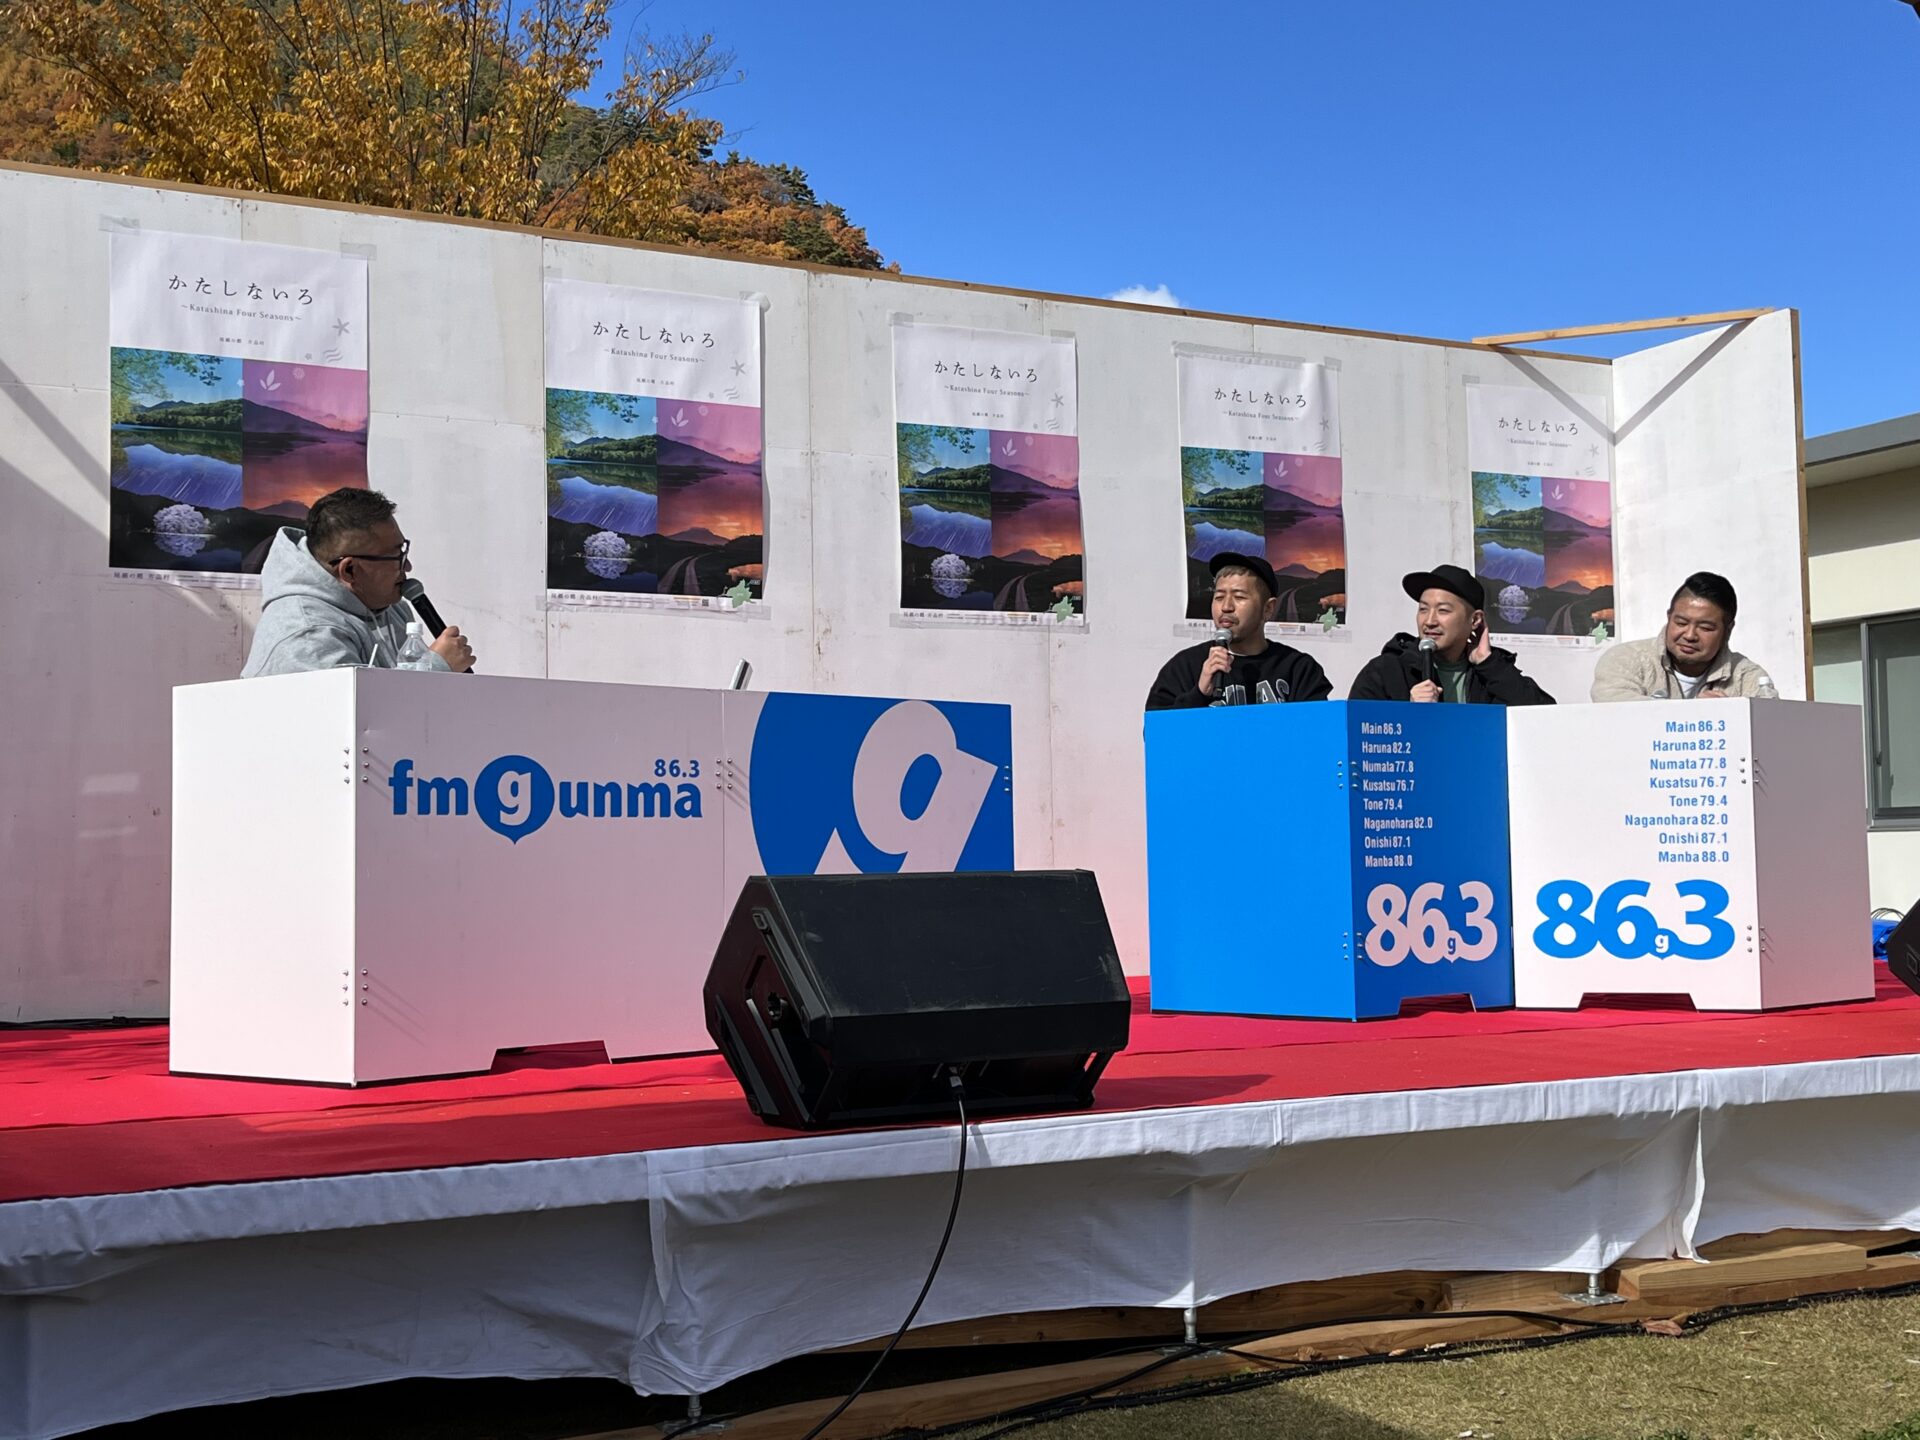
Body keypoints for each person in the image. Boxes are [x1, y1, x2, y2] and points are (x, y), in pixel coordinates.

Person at [241, 488, 475, 677]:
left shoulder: (390, 608)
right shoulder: (307, 634)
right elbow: (350, 715)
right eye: (397, 557)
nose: (408, 567)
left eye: (404, 551)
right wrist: (436, 667)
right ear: (350, 570)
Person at [1145, 552, 1333, 709]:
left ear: (1268, 608)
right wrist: (1199, 694)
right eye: (1219, 597)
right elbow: (1158, 736)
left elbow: (1319, 735)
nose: (1226, 607)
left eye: (1239, 597)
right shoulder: (1184, 667)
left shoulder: (1299, 669)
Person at [1349, 564, 1553, 705]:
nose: (1429, 621)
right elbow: (1359, 736)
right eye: (1423, 609)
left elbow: (1543, 717)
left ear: (1475, 620)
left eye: (1443, 610)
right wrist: (1408, 713)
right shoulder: (1386, 671)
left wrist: (1488, 663)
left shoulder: (1492, 672)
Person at [1591, 572, 1775, 701]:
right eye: (1681, 623)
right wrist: (1696, 713)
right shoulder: (1625, 659)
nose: (1689, 635)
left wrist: (1730, 715)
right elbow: (1615, 710)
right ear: (1669, 617)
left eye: (1705, 628)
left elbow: (1769, 725)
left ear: (1728, 630)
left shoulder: (1746, 676)